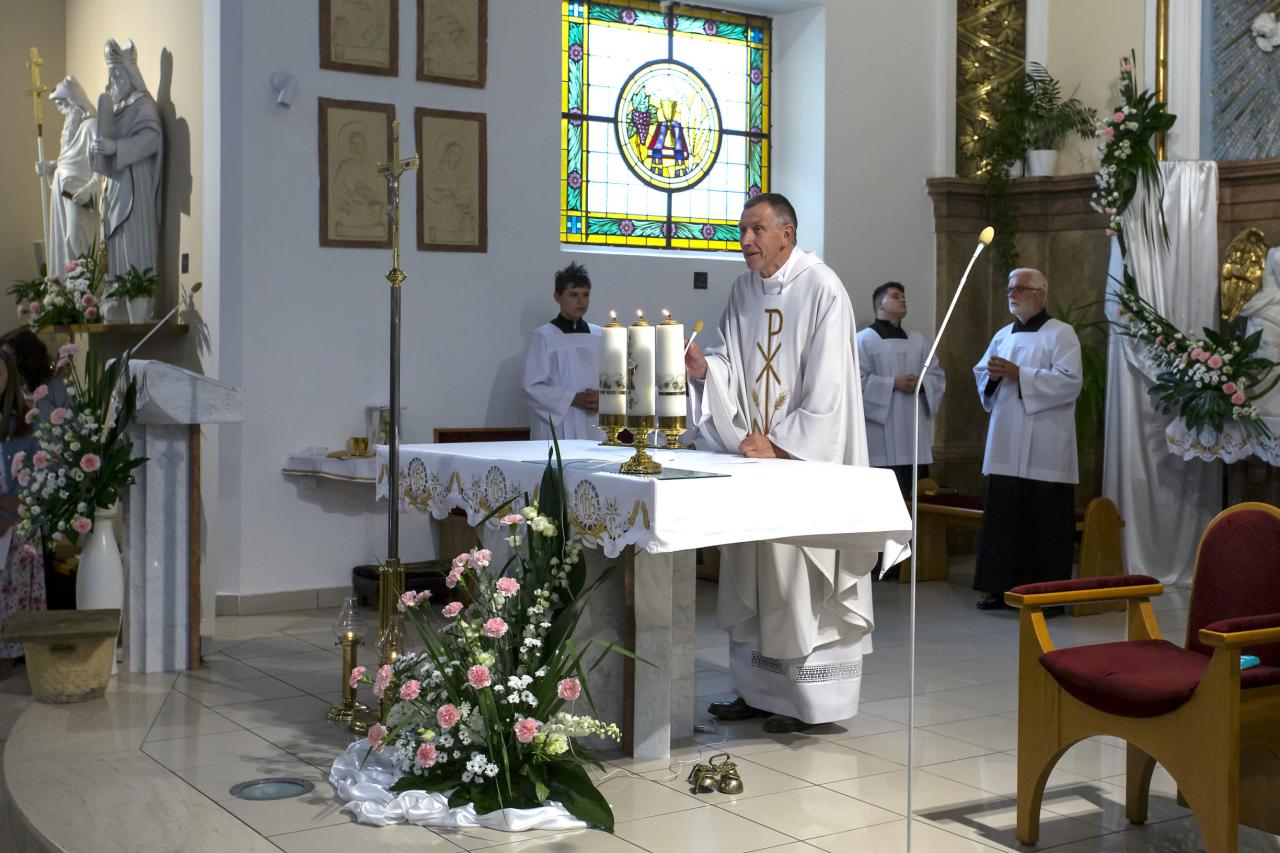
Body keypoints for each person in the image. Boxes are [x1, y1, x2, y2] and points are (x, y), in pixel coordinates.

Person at [685, 192, 873, 733]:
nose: (746, 240)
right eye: (742, 230)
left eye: (757, 230)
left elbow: (832, 386)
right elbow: (731, 362)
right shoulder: (743, 289)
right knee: (754, 575)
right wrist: (706, 371)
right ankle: (757, 691)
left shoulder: (823, 288)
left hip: (802, 463)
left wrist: (784, 442)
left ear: (787, 234)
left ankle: (808, 704)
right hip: (756, 461)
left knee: (799, 580)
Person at [972, 268, 1082, 610]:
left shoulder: (1061, 333)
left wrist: (1021, 374)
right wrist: (992, 377)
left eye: (1020, 288)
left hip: (1046, 444)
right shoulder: (1002, 335)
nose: (1012, 293)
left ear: (1040, 294)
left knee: (1044, 520)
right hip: (1006, 439)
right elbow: (981, 373)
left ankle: (1049, 597)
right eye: (1010, 288)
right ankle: (999, 589)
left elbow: (1070, 382)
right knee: (1004, 518)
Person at [856, 282, 945, 580]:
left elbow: (936, 375)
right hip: (879, 438)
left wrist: (923, 383)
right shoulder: (863, 340)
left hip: (913, 436)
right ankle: (878, 565)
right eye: (895, 296)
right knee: (880, 504)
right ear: (879, 304)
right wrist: (892, 384)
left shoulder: (919, 341)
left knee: (912, 500)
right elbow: (853, 382)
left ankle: (910, 564)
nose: (903, 299)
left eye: (904, 295)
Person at [91, 38, 163, 279]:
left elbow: (152, 139)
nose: (113, 81)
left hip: (135, 186)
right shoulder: (117, 108)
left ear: (130, 74)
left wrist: (117, 147)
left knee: (132, 239)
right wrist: (98, 150)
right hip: (115, 186)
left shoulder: (143, 105)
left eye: (117, 75)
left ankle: (137, 290)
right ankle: (118, 290)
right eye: (110, 76)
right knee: (116, 241)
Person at [0, 348, 45, 680]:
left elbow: (36, 477)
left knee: (14, 588)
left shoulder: (25, 421)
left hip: (17, 524)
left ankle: (9, 655)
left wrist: (9, 514)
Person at [522, 262, 602, 441]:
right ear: (557, 296)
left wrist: (602, 398)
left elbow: (613, 380)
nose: (581, 301)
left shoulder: (600, 335)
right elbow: (531, 387)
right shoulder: (543, 336)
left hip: (594, 422)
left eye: (586, 295)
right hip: (558, 424)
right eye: (573, 295)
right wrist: (573, 398)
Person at [36, 76, 99, 276]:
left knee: (75, 239)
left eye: (62, 104)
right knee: (61, 242)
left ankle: (84, 288)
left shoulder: (92, 126)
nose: (61, 110)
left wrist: (90, 189)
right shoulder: (71, 130)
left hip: (78, 194)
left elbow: (101, 164)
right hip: (61, 192)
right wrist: (50, 167)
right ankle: (65, 288)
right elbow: (69, 161)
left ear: (74, 101)